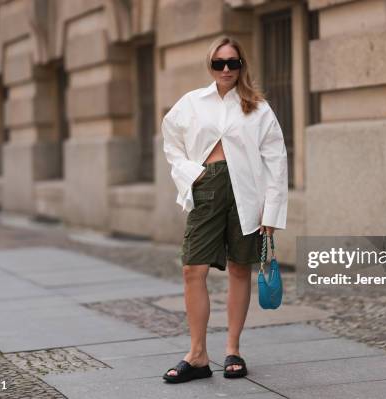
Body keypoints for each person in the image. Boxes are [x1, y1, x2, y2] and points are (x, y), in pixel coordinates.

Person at [161, 35, 288, 384]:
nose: (227, 69)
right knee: (192, 268)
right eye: (220, 63)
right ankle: (198, 354)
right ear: (210, 66)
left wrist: (272, 211)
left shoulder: (258, 107)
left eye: (233, 62)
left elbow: (276, 159)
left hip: (248, 191)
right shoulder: (192, 103)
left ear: (242, 65)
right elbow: (170, 140)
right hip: (207, 186)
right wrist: (191, 173)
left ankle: (233, 349)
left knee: (238, 268)